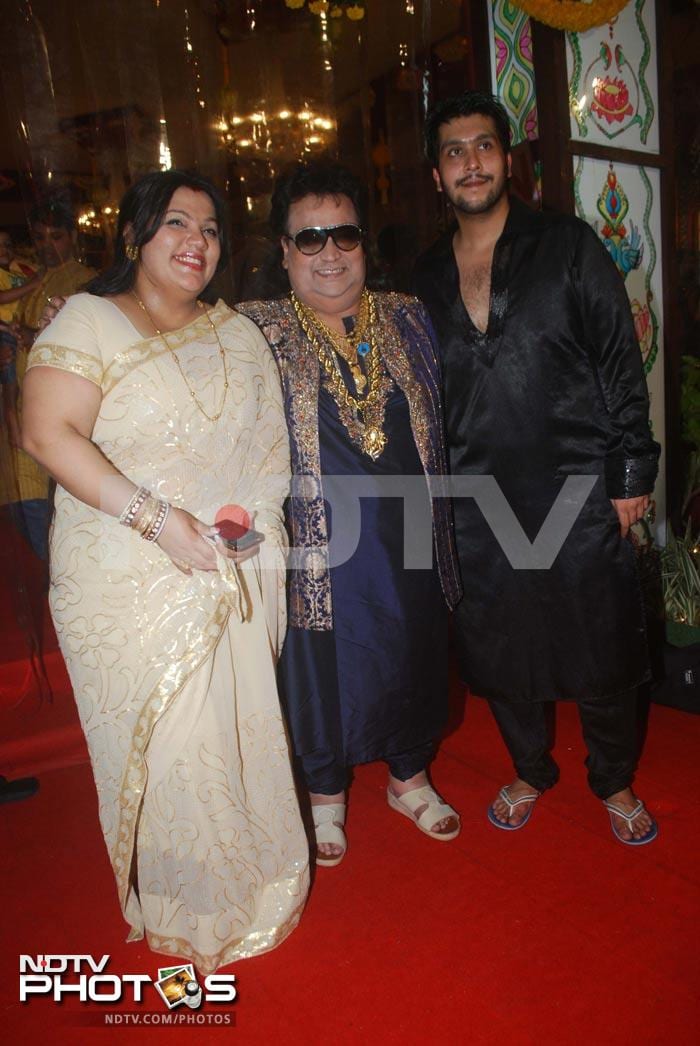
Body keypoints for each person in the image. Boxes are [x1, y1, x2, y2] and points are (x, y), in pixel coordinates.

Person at [22, 169, 309, 972]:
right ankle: (190, 901)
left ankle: (248, 879)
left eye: (211, 228)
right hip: (130, 572)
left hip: (226, 564)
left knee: (231, 737)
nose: (197, 241)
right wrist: (160, 524)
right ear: (133, 237)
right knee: (177, 751)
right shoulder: (90, 319)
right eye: (176, 223)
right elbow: (47, 433)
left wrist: (244, 527)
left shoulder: (238, 333)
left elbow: (264, 449)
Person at [414, 91, 660, 846]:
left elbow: (621, 362)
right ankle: (531, 768)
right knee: (500, 644)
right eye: (454, 151)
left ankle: (613, 779)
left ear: (507, 159)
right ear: (436, 175)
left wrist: (630, 475)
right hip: (477, 501)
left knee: (604, 644)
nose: (471, 163)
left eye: (483, 146)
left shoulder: (568, 244)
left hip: (581, 486)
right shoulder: (419, 277)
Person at [237, 161, 462, 866]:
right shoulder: (255, 329)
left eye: (344, 235)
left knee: (412, 646)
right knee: (320, 664)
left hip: (408, 526)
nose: (329, 252)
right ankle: (326, 792)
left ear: (365, 243)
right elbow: (169, 339)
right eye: (309, 240)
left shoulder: (408, 316)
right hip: (316, 540)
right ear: (283, 252)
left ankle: (408, 776)